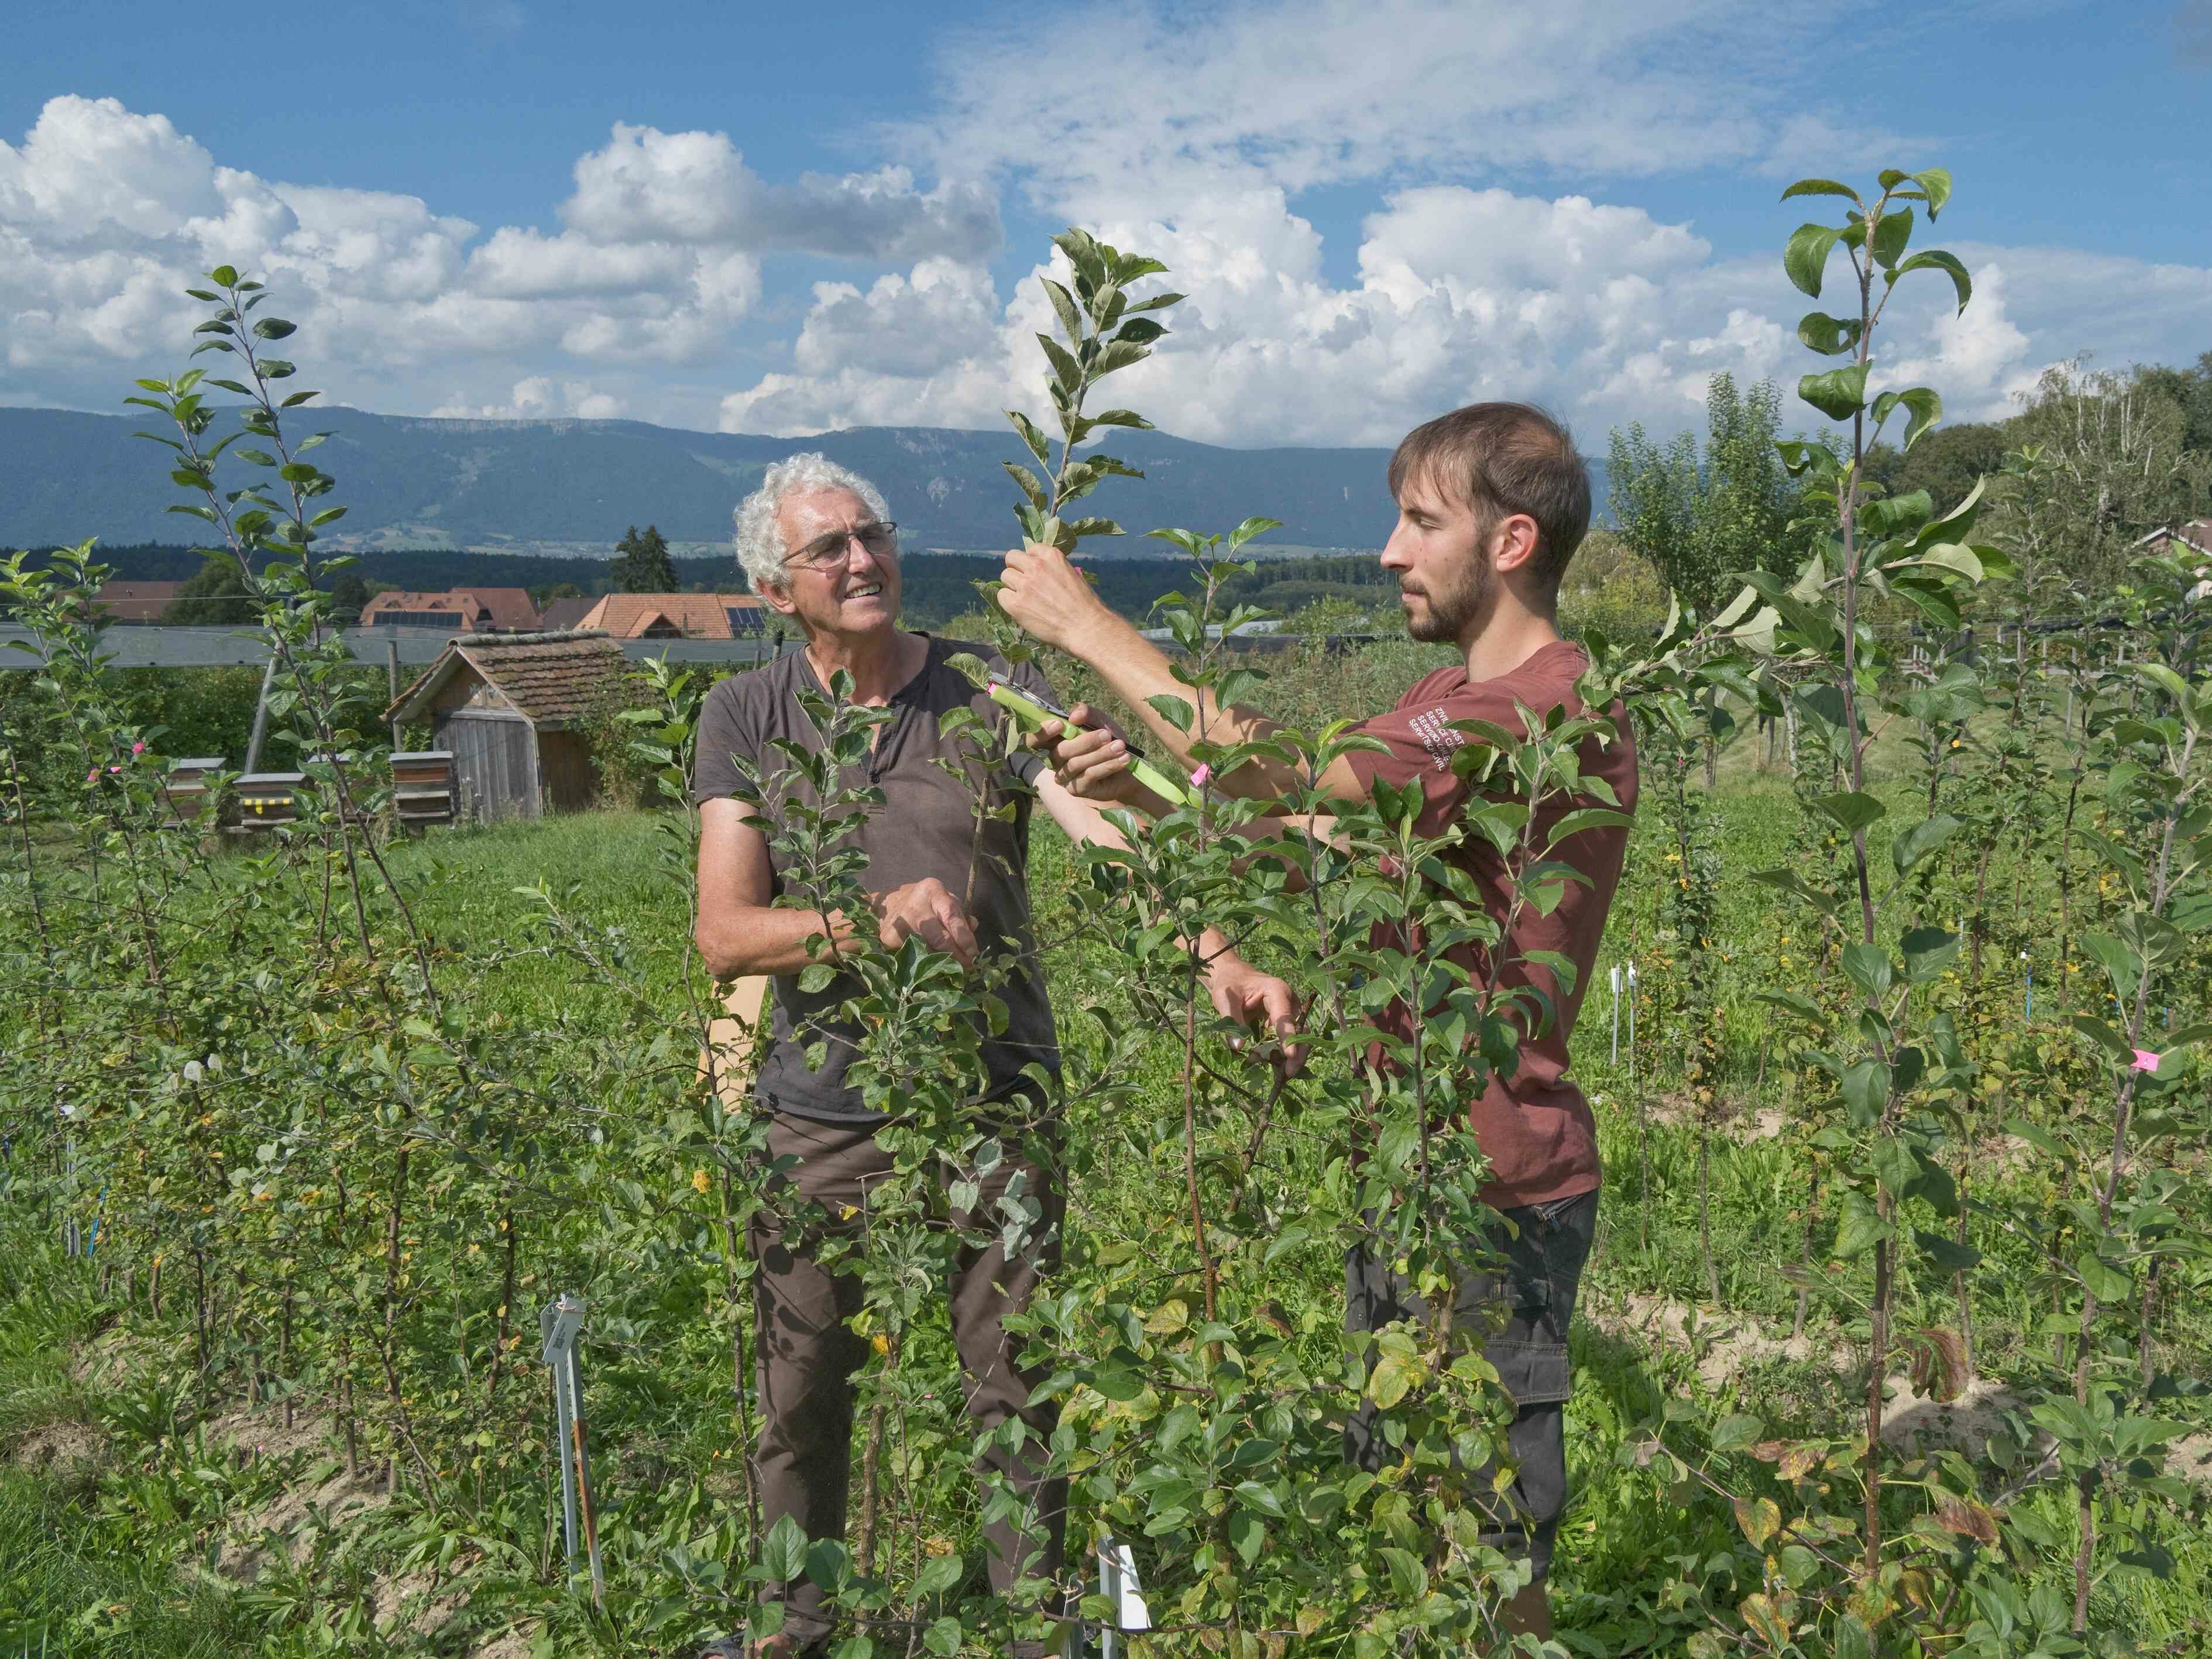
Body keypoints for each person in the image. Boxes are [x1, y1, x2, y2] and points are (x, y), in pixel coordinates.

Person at [994, 403, 1637, 1641]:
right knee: (1405, 1492)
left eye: (1420, 520)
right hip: (1407, 1163)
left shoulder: (1538, 706)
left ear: (1510, 541)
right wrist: (1138, 787)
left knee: (1497, 1534)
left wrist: (1091, 628)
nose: (1391, 549)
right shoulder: (1453, 690)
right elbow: (1322, 846)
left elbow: (1285, 771)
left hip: (1495, 1177)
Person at [691, 453, 1297, 1658]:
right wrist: (876, 921)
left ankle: (1035, 1629)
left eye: (873, 535)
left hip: (994, 1104)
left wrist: (1219, 955)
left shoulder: (987, 691)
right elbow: (725, 931)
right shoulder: (749, 714)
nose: (864, 560)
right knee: (801, 1393)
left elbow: (1113, 833)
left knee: (1017, 1383)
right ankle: (794, 1631)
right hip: (819, 1113)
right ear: (775, 586)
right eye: (830, 549)